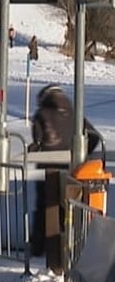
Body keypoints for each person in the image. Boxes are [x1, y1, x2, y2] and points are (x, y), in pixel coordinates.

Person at [28, 84, 100, 256]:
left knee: (44, 208)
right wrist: (81, 154)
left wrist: (36, 149)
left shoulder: (42, 114)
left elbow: (37, 139)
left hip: (47, 169)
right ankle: (69, 247)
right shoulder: (76, 114)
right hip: (72, 170)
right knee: (68, 208)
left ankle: (41, 247)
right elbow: (95, 136)